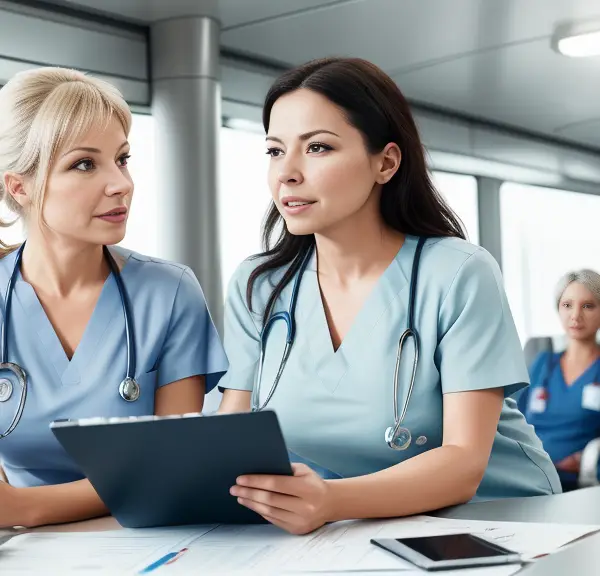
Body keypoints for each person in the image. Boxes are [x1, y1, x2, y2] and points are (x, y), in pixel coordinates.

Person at [217, 57, 560, 535]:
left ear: (386, 162)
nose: (288, 173)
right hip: (353, 530)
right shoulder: (259, 286)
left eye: (317, 147)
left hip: (501, 523)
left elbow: (463, 462)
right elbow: (229, 445)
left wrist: (331, 501)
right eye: (275, 151)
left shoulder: (458, 272)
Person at [0, 68, 228, 527]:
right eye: (85, 164)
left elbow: (171, 466)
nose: (120, 183)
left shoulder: (169, 293)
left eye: (122, 159)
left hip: (146, 538)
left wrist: (26, 508)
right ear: (18, 186)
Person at [518, 270, 600, 491]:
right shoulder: (542, 364)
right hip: (528, 476)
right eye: (567, 305)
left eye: (588, 306)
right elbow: (513, 420)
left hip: (579, 485)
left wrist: (589, 460)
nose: (575, 315)